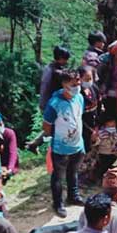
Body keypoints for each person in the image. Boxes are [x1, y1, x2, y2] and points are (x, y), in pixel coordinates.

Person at [43, 70, 86, 218]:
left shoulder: (79, 97)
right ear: (64, 84)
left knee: (73, 172)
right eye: (73, 84)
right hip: (60, 148)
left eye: (78, 82)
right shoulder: (54, 104)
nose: (77, 86)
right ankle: (58, 203)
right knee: (58, 176)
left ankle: (73, 196)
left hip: (78, 144)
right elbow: (47, 126)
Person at [39, 46, 72, 112]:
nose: (66, 61)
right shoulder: (54, 72)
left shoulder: (48, 67)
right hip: (52, 103)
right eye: (65, 59)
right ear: (60, 58)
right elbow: (45, 89)